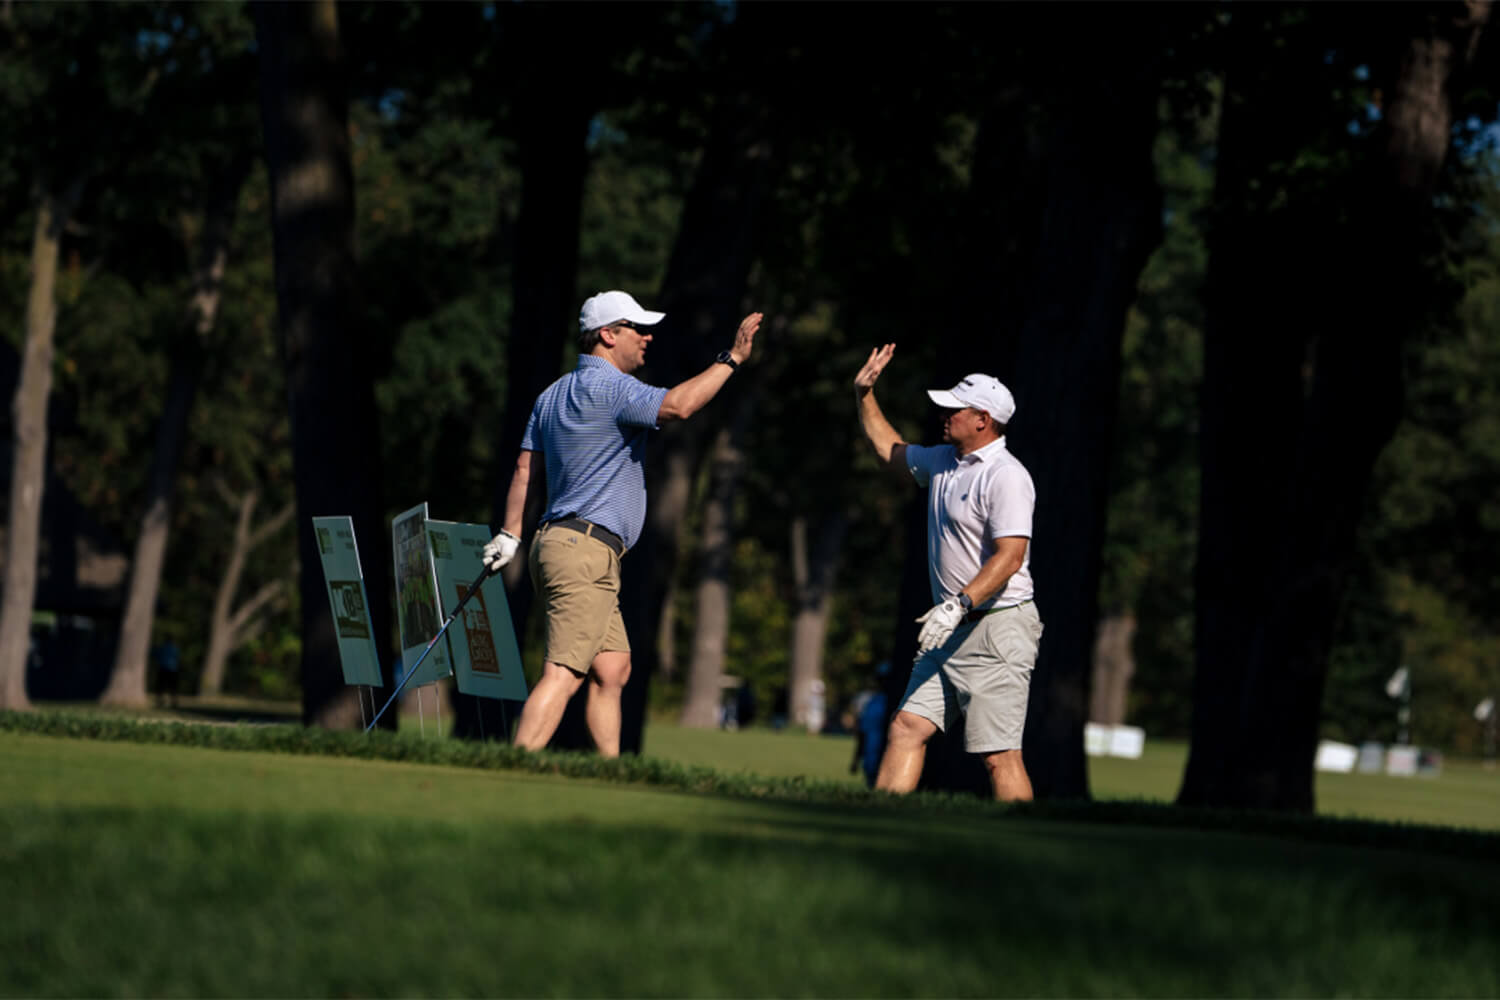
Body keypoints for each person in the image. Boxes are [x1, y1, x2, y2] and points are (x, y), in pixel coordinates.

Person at [484, 290, 762, 757]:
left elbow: (524, 471)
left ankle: (611, 771)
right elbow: (680, 406)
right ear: (608, 335)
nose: (648, 338)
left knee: (613, 669)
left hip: (560, 546)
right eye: (637, 328)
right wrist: (731, 359)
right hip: (586, 552)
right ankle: (512, 769)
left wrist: (511, 534)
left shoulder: (551, 394)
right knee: (563, 673)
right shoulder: (615, 389)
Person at [853, 345, 1042, 801]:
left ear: (982, 419)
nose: (944, 414)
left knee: (998, 755)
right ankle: (878, 827)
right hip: (951, 629)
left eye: (954, 409)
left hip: (997, 629)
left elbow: (1010, 556)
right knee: (905, 727)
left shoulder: (1006, 476)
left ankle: (1022, 850)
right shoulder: (943, 461)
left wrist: (958, 604)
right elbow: (889, 450)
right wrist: (864, 394)